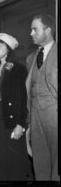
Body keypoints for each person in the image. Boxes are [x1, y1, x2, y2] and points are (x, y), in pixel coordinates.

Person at [0, 33, 31, 180]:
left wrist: (20, 125)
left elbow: (23, 99)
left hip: (10, 122)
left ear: (8, 49)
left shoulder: (18, 69)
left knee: (12, 164)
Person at [26, 14, 59, 180]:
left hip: (55, 116)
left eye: (35, 29)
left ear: (48, 30)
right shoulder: (30, 58)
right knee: (40, 162)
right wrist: (29, 122)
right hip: (35, 117)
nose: (31, 33)